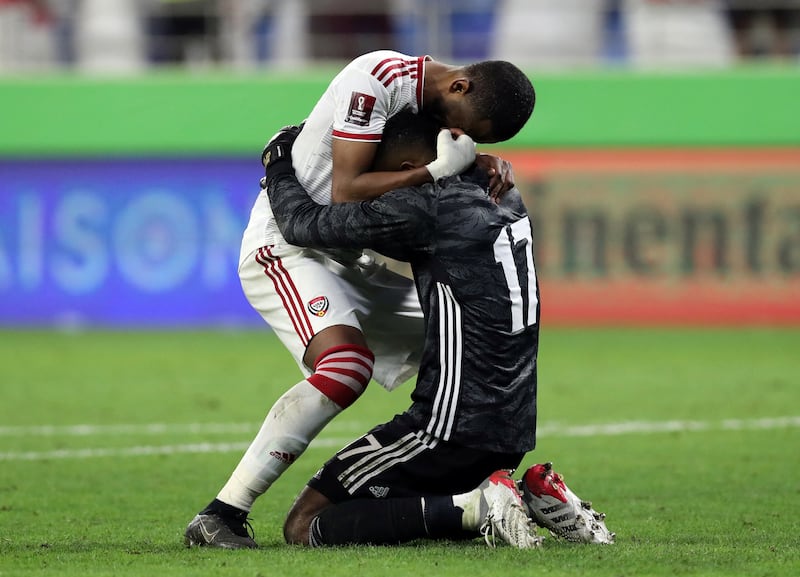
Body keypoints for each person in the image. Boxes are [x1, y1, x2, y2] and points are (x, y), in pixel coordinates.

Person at [184, 50, 535, 549]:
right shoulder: (379, 77)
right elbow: (346, 191)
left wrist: (477, 163)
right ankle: (222, 513)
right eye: (469, 130)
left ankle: (474, 493)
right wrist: (436, 171)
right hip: (291, 242)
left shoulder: (427, 104)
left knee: (465, 340)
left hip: (353, 252)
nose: (463, 139)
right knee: (347, 366)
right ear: (458, 89)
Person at [262, 111, 613, 547]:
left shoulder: (424, 206)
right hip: (512, 428)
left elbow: (302, 226)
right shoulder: (502, 190)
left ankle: (484, 505)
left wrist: (278, 160)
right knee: (416, 512)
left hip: (446, 428)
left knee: (306, 525)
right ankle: (531, 495)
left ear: (410, 170)